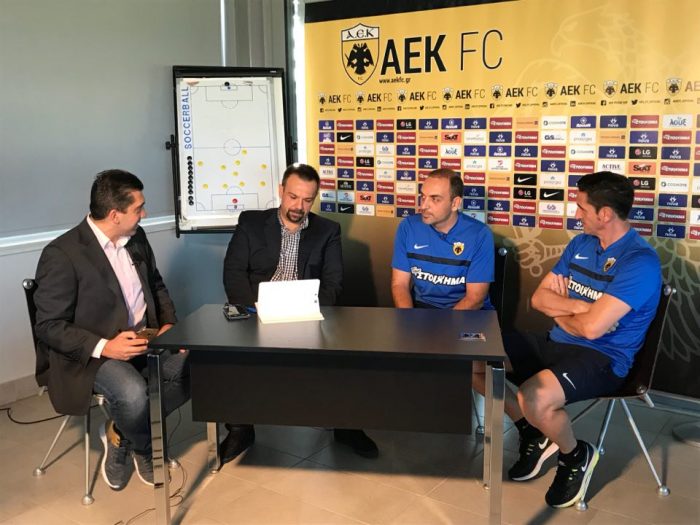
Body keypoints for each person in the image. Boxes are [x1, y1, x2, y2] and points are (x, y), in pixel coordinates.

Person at [472, 171, 662, 508]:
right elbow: (539, 299)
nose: (576, 214)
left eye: (582, 208)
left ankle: (575, 455)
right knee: (473, 358)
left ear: (605, 214)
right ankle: (531, 431)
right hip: (555, 341)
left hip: (603, 359)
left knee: (535, 397)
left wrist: (562, 309)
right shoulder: (581, 244)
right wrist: (577, 307)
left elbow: (592, 331)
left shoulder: (640, 262)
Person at [33, 169, 189, 491]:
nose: (144, 214)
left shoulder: (137, 238)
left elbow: (156, 285)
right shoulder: (62, 255)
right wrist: (105, 346)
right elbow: (48, 325)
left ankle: (121, 431)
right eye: (138, 208)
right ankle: (144, 447)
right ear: (115, 215)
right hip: (93, 354)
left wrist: (169, 324)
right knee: (132, 395)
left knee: (196, 369)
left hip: (145, 338)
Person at [221, 162, 378, 462]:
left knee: (347, 352)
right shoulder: (251, 223)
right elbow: (234, 273)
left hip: (306, 313)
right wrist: (255, 310)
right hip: (257, 312)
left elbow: (333, 283)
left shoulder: (327, 231)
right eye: (293, 197)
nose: (299, 206)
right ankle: (240, 428)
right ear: (281, 190)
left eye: (307, 200)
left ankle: (346, 426)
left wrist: (308, 311)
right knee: (231, 354)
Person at [391, 168, 495, 310]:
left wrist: (444, 324)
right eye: (423, 197)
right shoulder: (408, 227)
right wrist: (408, 318)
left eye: (435, 199)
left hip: (466, 314)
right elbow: (399, 285)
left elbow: (475, 299)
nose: (423, 206)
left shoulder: (480, 234)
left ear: (455, 203)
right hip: (422, 310)